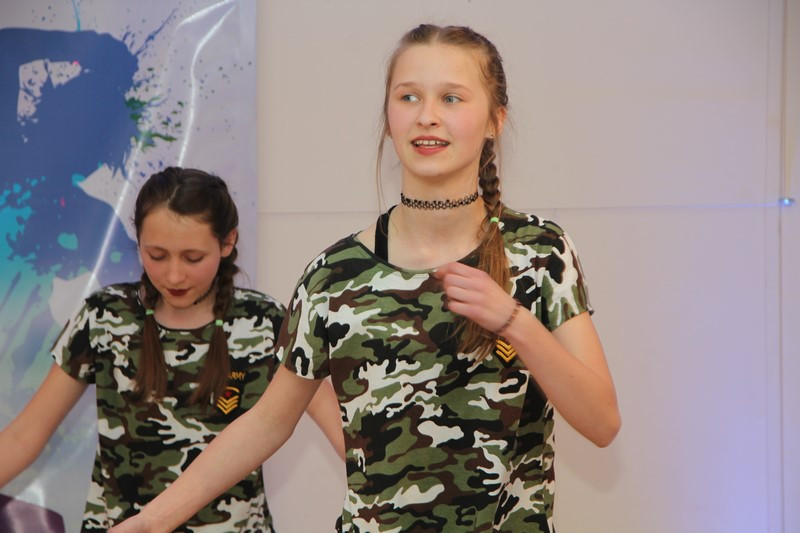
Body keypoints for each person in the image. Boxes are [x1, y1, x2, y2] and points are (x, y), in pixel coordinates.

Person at [109, 24, 621, 533]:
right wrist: (152, 522)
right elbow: (267, 422)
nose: (426, 116)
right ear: (389, 117)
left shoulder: (540, 252)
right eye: (409, 97)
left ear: (495, 120)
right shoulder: (332, 276)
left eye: (451, 98)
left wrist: (513, 321)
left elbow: (602, 423)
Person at [0, 167, 344, 532]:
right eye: (157, 255)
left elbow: (346, 433)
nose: (174, 275)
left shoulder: (265, 323)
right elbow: (24, 436)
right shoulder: (104, 317)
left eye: (193, 258)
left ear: (228, 242)